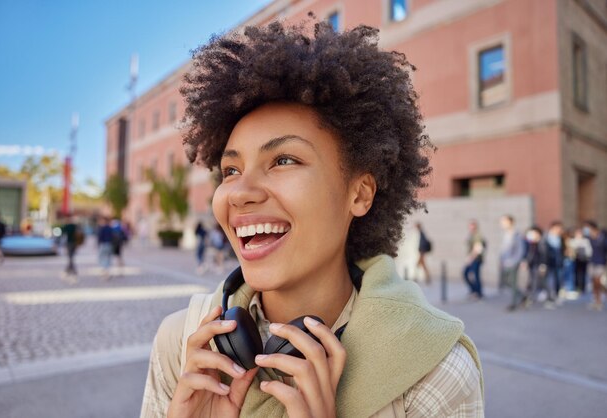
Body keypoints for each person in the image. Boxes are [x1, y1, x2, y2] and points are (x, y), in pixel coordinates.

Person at [140, 20, 483, 418]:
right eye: (231, 170)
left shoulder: (436, 372)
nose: (240, 191)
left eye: (284, 160)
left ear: (359, 193)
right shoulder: (179, 345)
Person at [499, 214, 525, 311]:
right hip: (505, 263)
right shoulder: (506, 234)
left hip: (513, 263)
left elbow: (520, 250)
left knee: (513, 283)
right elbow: (504, 250)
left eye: (504, 221)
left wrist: (514, 262)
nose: (502, 224)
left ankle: (513, 303)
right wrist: (501, 261)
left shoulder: (517, 234)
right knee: (506, 282)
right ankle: (522, 296)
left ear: (510, 222)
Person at [585, 221, 607, 311]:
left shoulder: (602, 237)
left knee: (599, 281)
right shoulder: (589, 238)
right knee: (594, 282)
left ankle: (600, 298)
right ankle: (596, 300)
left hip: (601, 262)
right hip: (592, 262)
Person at [522, 226, 546, 306]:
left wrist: (543, 265)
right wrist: (525, 262)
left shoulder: (542, 242)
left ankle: (532, 297)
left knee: (535, 281)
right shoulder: (529, 243)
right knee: (531, 280)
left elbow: (544, 255)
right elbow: (526, 253)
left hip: (538, 264)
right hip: (531, 264)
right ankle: (528, 296)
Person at [543, 221, 565, 308]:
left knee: (558, 280)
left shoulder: (561, 238)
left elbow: (562, 250)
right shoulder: (546, 238)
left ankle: (555, 296)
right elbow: (543, 251)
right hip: (549, 263)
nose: (559, 230)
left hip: (558, 263)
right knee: (549, 281)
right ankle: (549, 298)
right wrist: (543, 263)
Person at [463, 220, 485, 300]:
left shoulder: (478, 236)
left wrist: (470, 258)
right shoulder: (471, 235)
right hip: (471, 259)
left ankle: (478, 293)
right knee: (466, 274)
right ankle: (474, 291)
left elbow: (477, 248)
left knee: (475, 276)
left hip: (476, 259)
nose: (471, 228)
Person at [569, 227, 592, 294]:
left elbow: (589, 250)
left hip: (583, 259)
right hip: (575, 260)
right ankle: (576, 286)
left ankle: (582, 287)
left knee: (583, 274)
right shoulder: (573, 241)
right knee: (576, 274)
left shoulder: (585, 241)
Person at [61, 215, 82, 283]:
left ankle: (70, 270)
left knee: (70, 257)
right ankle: (69, 270)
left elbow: (63, 234)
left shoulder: (67, 226)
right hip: (75, 243)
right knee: (71, 257)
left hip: (69, 243)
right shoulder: (75, 226)